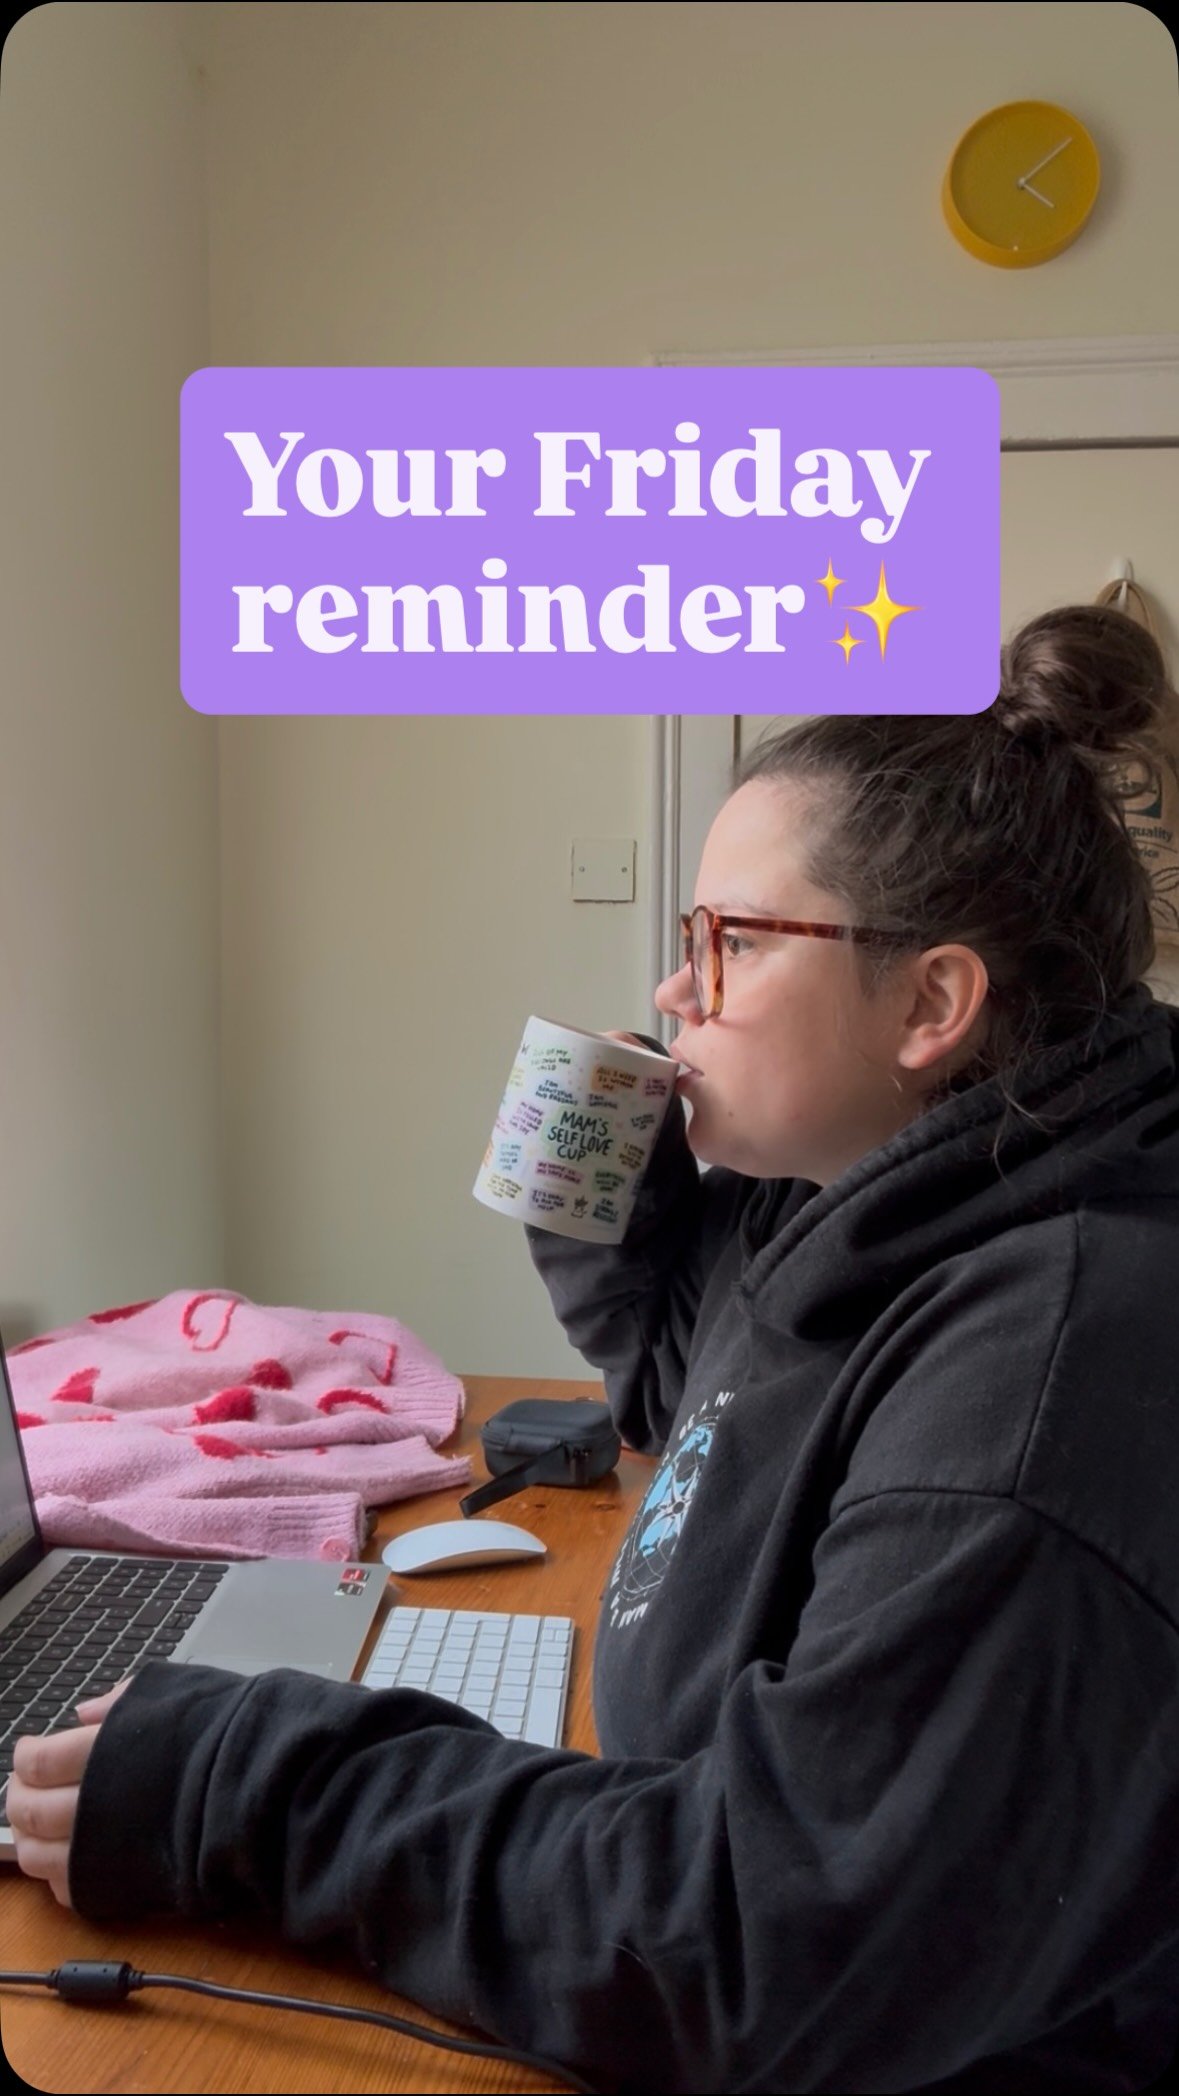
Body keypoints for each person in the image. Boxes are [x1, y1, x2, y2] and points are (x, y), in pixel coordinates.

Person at [9, 602, 1179, 2094]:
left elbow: (754, 1939)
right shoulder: (870, 1206)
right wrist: (596, 1186)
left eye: (732, 942)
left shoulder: (1041, 1393)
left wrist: (260, 1787)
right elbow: (705, 1425)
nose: (677, 991)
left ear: (932, 1002)